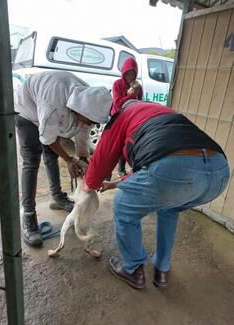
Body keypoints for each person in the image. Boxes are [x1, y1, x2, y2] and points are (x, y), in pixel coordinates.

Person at [84, 99, 230, 289]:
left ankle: (133, 269)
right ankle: (162, 269)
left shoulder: (123, 115)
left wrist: (90, 184)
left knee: (123, 205)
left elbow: (101, 160)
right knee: (169, 208)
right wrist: (113, 184)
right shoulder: (166, 114)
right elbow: (153, 167)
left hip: (177, 169)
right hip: (219, 174)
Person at [15, 71, 112, 247]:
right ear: (81, 110)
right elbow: (48, 138)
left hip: (48, 111)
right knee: (31, 161)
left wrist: (82, 158)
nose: (91, 124)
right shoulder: (53, 103)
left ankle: (58, 197)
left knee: (51, 156)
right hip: (28, 112)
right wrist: (68, 160)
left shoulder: (88, 101)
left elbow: (83, 131)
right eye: (90, 120)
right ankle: (28, 216)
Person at [111, 57, 143, 176]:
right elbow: (118, 103)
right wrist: (131, 93)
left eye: (132, 73)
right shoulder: (117, 84)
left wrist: (136, 90)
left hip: (130, 118)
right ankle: (107, 172)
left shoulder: (138, 86)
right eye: (127, 73)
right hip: (117, 117)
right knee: (113, 145)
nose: (130, 76)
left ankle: (121, 168)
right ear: (123, 72)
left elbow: (139, 103)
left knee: (126, 143)